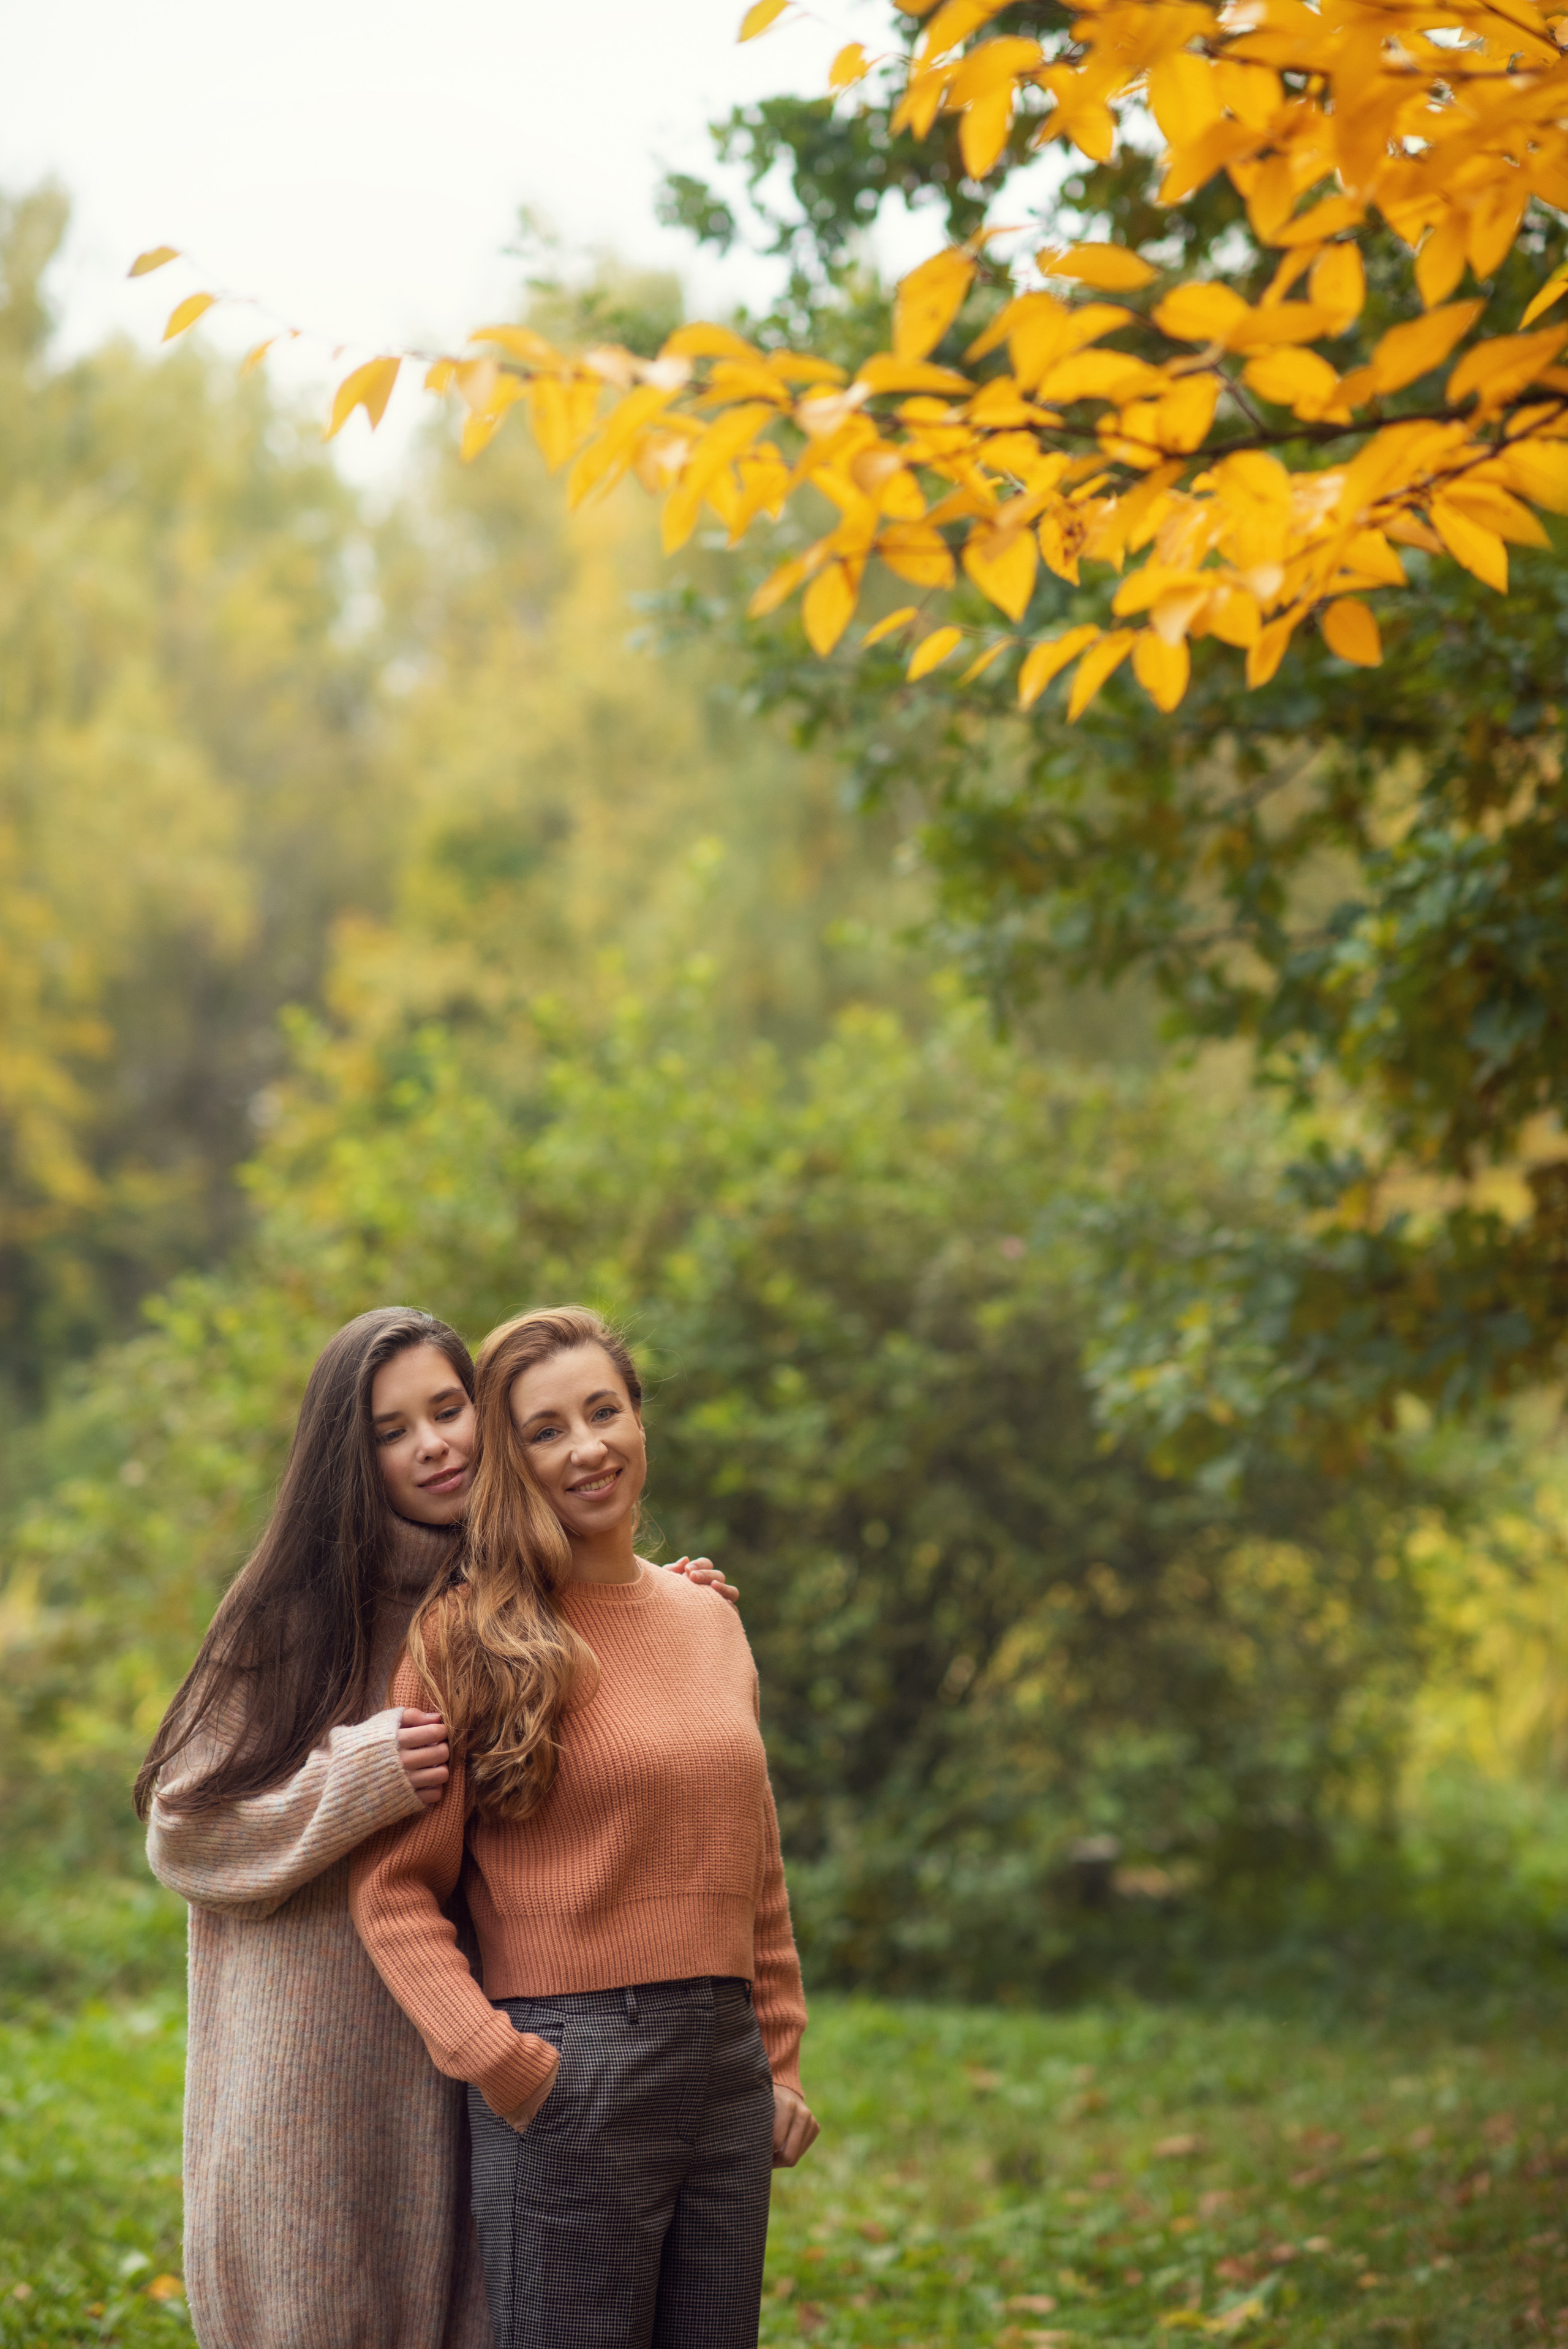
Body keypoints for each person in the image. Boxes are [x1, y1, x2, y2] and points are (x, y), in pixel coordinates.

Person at [137, 1305, 738, 2349]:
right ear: (349, 1454)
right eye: (392, 1429)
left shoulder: (507, 1600)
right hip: (308, 2073)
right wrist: (357, 1776)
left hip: (466, 2049)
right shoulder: (287, 1612)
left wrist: (665, 1609)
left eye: (449, 1410)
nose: (434, 1445)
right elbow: (183, 1833)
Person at [349, 1304, 819, 2349]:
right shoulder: (468, 1637)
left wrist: (779, 2061)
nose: (587, 1449)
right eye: (546, 1431)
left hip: (725, 2069)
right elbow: (393, 1889)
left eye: (604, 1412)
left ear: (640, 1420)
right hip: (570, 2069)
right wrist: (503, 2063)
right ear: (509, 1460)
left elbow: (757, 1865)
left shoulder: (711, 1619)